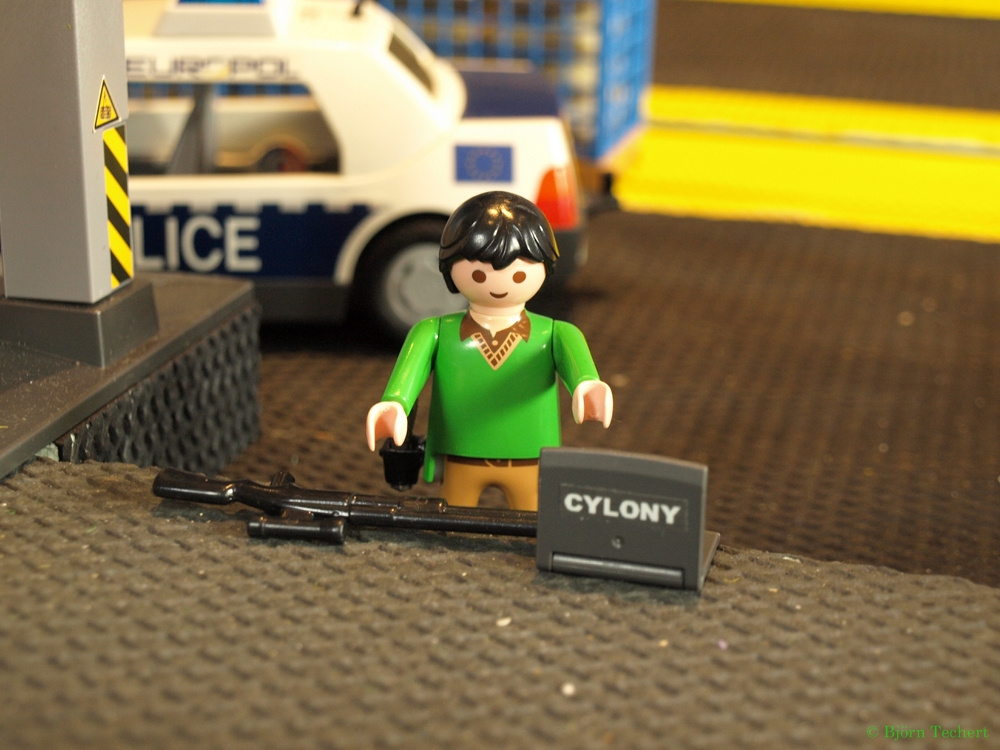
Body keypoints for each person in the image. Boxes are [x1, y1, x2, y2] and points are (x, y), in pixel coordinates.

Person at [365, 191, 612, 510]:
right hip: (461, 451)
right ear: (450, 268)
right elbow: (406, 379)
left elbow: (582, 374)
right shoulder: (434, 332)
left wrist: (588, 387)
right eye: (479, 274)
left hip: (529, 453)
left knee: (531, 523)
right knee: (452, 521)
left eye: (518, 274)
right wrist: (395, 404)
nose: (499, 284)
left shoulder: (555, 334)